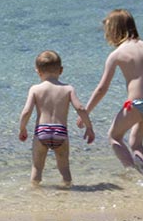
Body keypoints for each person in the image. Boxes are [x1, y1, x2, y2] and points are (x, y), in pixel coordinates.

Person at [82, 9, 143, 175]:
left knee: (114, 136)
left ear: (114, 31)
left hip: (136, 104)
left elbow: (102, 88)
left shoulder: (116, 54)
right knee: (136, 143)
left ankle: (133, 173)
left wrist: (86, 112)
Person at [18, 50, 94, 187]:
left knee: (37, 167)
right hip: (61, 132)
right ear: (61, 70)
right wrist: (89, 127)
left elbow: (26, 112)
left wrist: (22, 128)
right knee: (64, 168)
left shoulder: (35, 89)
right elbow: (81, 108)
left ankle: (35, 194)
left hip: (42, 132)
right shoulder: (68, 89)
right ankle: (67, 192)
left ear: (38, 72)